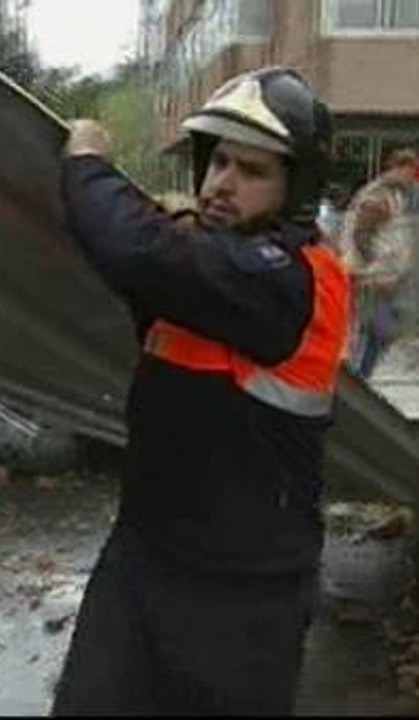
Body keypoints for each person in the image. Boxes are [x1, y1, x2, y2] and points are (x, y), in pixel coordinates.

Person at [51, 67, 350, 716]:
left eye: (251, 171)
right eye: (218, 162)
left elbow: (133, 254)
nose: (221, 185)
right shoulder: (216, 263)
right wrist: (178, 230)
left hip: (243, 593)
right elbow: (156, 286)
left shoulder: (291, 280)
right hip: (144, 556)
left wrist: (87, 164)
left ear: (296, 187)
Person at [339, 148, 418, 378]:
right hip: (373, 278)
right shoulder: (380, 195)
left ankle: (361, 375)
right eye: (410, 170)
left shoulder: (396, 194)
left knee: (378, 332)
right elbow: (362, 235)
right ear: (398, 168)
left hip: (384, 277)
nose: (412, 176)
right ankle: (359, 378)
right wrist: (374, 271)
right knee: (373, 332)